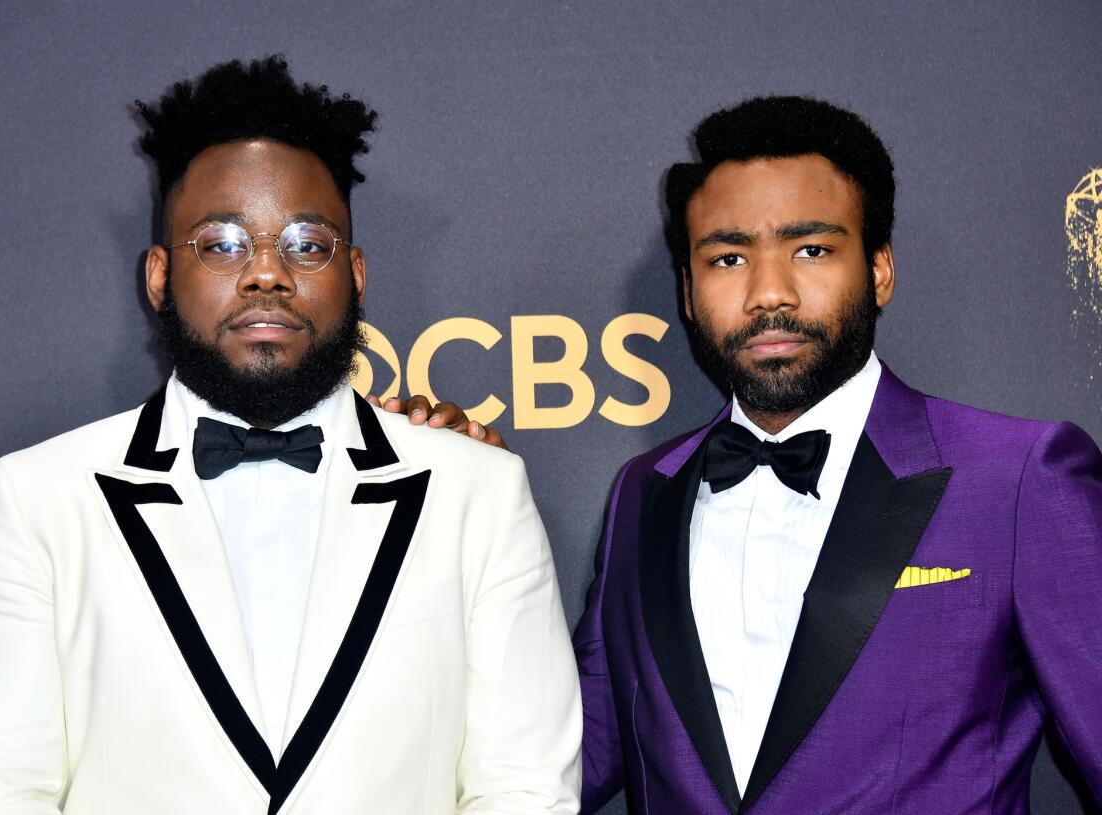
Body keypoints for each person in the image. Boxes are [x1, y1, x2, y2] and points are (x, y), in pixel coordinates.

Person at [394, 96, 1102, 813]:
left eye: (812, 250)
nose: (769, 293)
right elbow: (559, 754)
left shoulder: (1018, 478)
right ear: (689, 292)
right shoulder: (645, 491)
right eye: (728, 257)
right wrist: (454, 500)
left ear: (881, 269)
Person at [0, 56, 581, 815]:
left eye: (306, 243)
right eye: (223, 242)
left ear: (356, 273)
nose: (267, 273)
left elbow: (524, 789)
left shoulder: (479, 494)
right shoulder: (34, 501)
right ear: (160, 276)